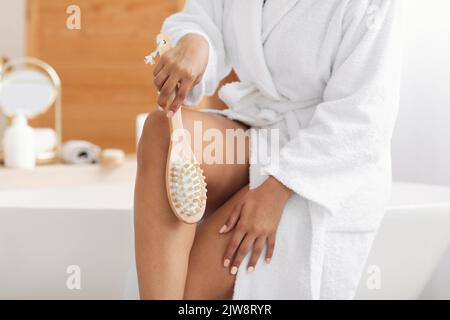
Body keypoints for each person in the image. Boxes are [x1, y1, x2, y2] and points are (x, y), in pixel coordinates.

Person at [134, 0, 402, 300]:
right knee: (165, 132)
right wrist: (196, 43)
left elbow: (362, 118)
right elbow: (204, 18)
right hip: (263, 130)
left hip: (323, 162)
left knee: (192, 292)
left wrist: (274, 191)